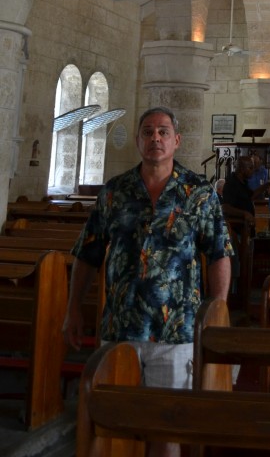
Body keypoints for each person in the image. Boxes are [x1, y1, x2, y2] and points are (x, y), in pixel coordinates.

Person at [63, 106, 233, 457]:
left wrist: (218, 314)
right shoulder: (114, 191)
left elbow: (218, 253)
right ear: (139, 140)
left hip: (177, 331)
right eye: (148, 131)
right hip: (120, 328)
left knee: (165, 427)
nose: (155, 138)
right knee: (112, 428)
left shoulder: (197, 192)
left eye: (163, 132)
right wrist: (73, 309)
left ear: (176, 140)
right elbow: (87, 254)